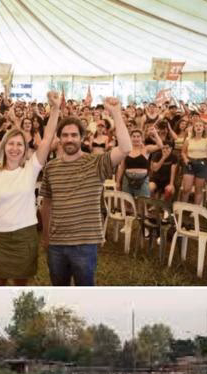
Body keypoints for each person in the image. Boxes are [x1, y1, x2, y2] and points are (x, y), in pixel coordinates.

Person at [40, 96, 131, 286]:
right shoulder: (51, 167)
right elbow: (47, 203)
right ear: (60, 139)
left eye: (74, 135)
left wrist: (115, 112)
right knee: (60, 294)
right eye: (65, 135)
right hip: (57, 243)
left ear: (82, 138)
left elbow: (125, 148)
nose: (69, 139)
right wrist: (46, 235)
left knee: (85, 294)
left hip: (85, 243)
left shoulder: (96, 163)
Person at [0, 90, 61, 286]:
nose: (15, 148)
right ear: (4, 146)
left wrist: (56, 109)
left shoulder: (31, 169)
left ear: (25, 149)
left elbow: (48, 138)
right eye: (11, 144)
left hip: (25, 235)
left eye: (19, 144)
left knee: (22, 287)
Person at [179, 119, 207, 204]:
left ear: (204, 128)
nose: (198, 127)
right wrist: (185, 159)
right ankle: (182, 208)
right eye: (196, 126)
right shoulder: (188, 139)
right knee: (186, 188)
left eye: (200, 125)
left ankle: (195, 210)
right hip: (189, 163)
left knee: (198, 189)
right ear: (193, 128)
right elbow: (183, 152)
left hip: (202, 164)